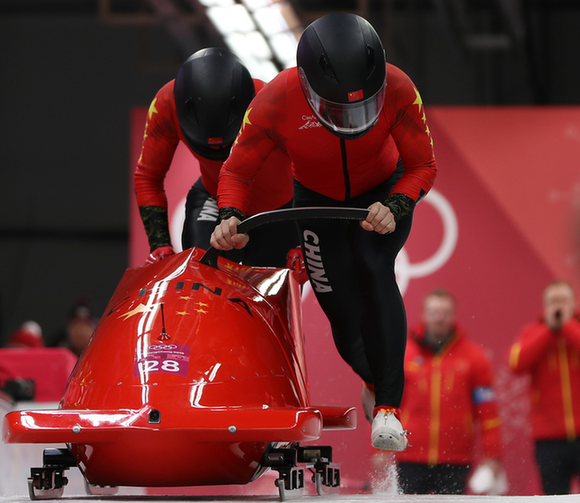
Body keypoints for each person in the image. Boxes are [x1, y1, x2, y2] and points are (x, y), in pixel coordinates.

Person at [211, 13, 437, 451]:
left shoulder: (400, 88)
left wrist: (398, 204)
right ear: (310, 90)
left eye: (363, 107)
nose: (353, 119)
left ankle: (389, 409)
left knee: (374, 266)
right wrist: (230, 214)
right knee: (339, 305)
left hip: (382, 191)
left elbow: (423, 164)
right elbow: (236, 171)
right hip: (316, 200)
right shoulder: (277, 99)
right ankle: (372, 380)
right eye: (338, 109)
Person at [134, 47, 298, 267]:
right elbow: (148, 176)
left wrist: (308, 233)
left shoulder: (271, 104)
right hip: (215, 197)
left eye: (225, 147)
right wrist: (159, 244)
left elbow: (313, 169)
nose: (217, 152)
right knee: (200, 275)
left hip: (280, 211)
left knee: (269, 293)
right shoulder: (165, 104)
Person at [393, 289, 505, 494]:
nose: (439, 319)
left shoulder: (474, 357)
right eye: (434, 312)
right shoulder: (404, 354)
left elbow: (488, 412)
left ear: (453, 316)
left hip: (455, 459)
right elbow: (388, 406)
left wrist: (492, 455)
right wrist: (380, 449)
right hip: (410, 456)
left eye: (445, 313)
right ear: (424, 314)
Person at [508, 280, 580, 495]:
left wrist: (569, 327)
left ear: (574, 304)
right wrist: (550, 331)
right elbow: (516, 362)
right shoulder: (533, 331)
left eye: (563, 300)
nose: (559, 306)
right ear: (545, 305)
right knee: (554, 497)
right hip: (549, 437)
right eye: (553, 301)